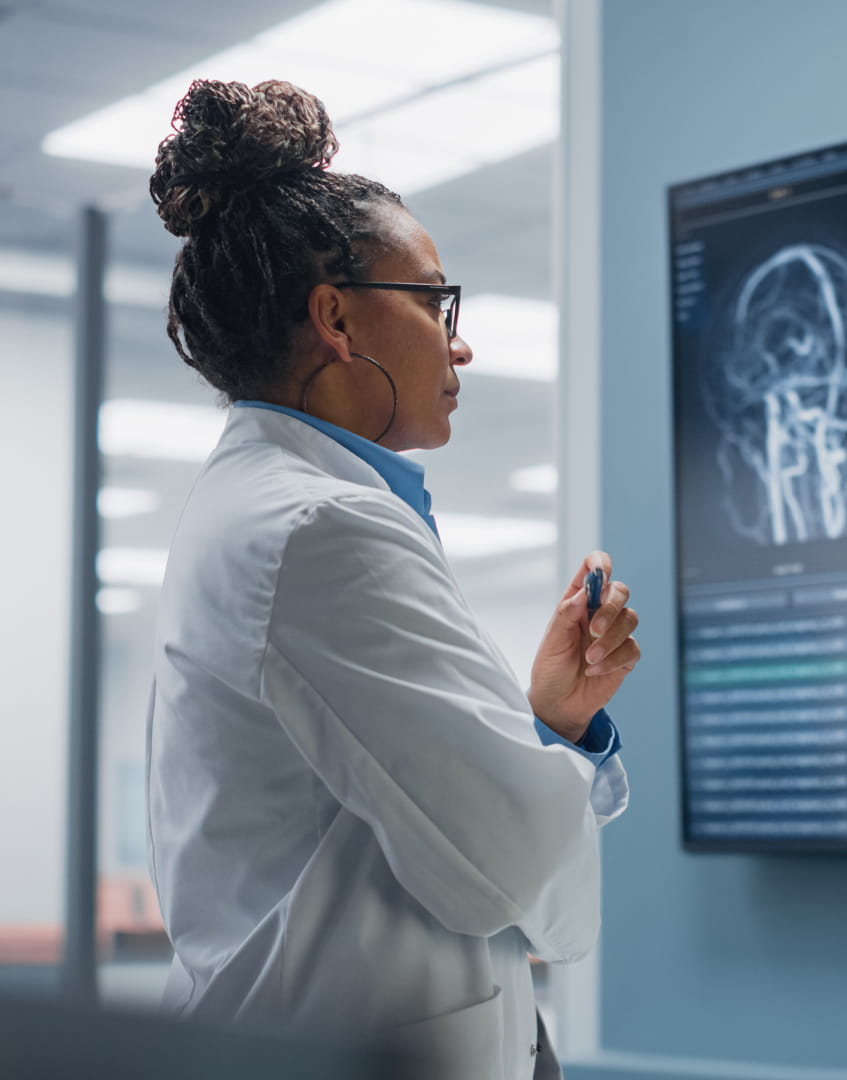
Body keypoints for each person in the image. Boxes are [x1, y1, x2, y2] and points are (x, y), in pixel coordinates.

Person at [144, 79, 638, 1080]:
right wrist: (553, 767)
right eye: (434, 300)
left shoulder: (270, 505)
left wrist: (550, 725)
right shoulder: (321, 527)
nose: (459, 342)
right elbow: (514, 866)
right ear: (337, 317)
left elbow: (417, 811)